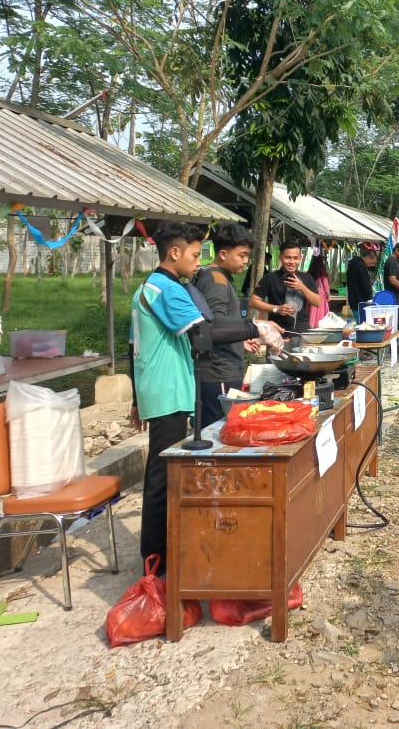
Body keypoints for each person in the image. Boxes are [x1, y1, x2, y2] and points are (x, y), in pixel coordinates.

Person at [131, 222, 281, 572]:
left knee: (164, 469)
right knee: (162, 473)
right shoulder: (168, 288)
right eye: (195, 255)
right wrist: (256, 327)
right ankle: (155, 561)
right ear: (174, 253)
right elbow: (203, 332)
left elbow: (133, 342)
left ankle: (162, 550)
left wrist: (137, 397)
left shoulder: (149, 286)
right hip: (168, 388)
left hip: (160, 386)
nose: (199, 262)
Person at [191, 222, 262, 427]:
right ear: (223, 254)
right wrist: (253, 328)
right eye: (241, 255)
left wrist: (240, 341)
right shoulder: (216, 282)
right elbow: (213, 326)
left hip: (220, 369)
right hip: (218, 373)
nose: (246, 261)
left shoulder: (216, 277)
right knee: (217, 432)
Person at [249, 242, 321, 334]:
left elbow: (318, 302)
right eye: (287, 258)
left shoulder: (307, 278)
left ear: (300, 258)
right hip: (277, 330)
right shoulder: (270, 278)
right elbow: (253, 302)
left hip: (302, 330)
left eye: (295, 258)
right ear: (280, 257)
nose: (292, 262)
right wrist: (276, 308)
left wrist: (302, 287)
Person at [346, 246, 377, 321]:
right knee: (363, 325)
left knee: (360, 323)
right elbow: (365, 285)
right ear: (367, 258)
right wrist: (371, 298)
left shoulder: (352, 264)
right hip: (361, 302)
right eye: (372, 262)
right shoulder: (361, 266)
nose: (371, 265)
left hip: (353, 300)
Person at [307, 252, 331, 326]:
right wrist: (328, 295)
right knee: (320, 312)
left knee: (312, 311)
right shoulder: (323, 275)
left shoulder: (309, 274)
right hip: (321, 296)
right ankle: (318, 325)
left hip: (311, 294)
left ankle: (311, 324)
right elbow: (326, 288)